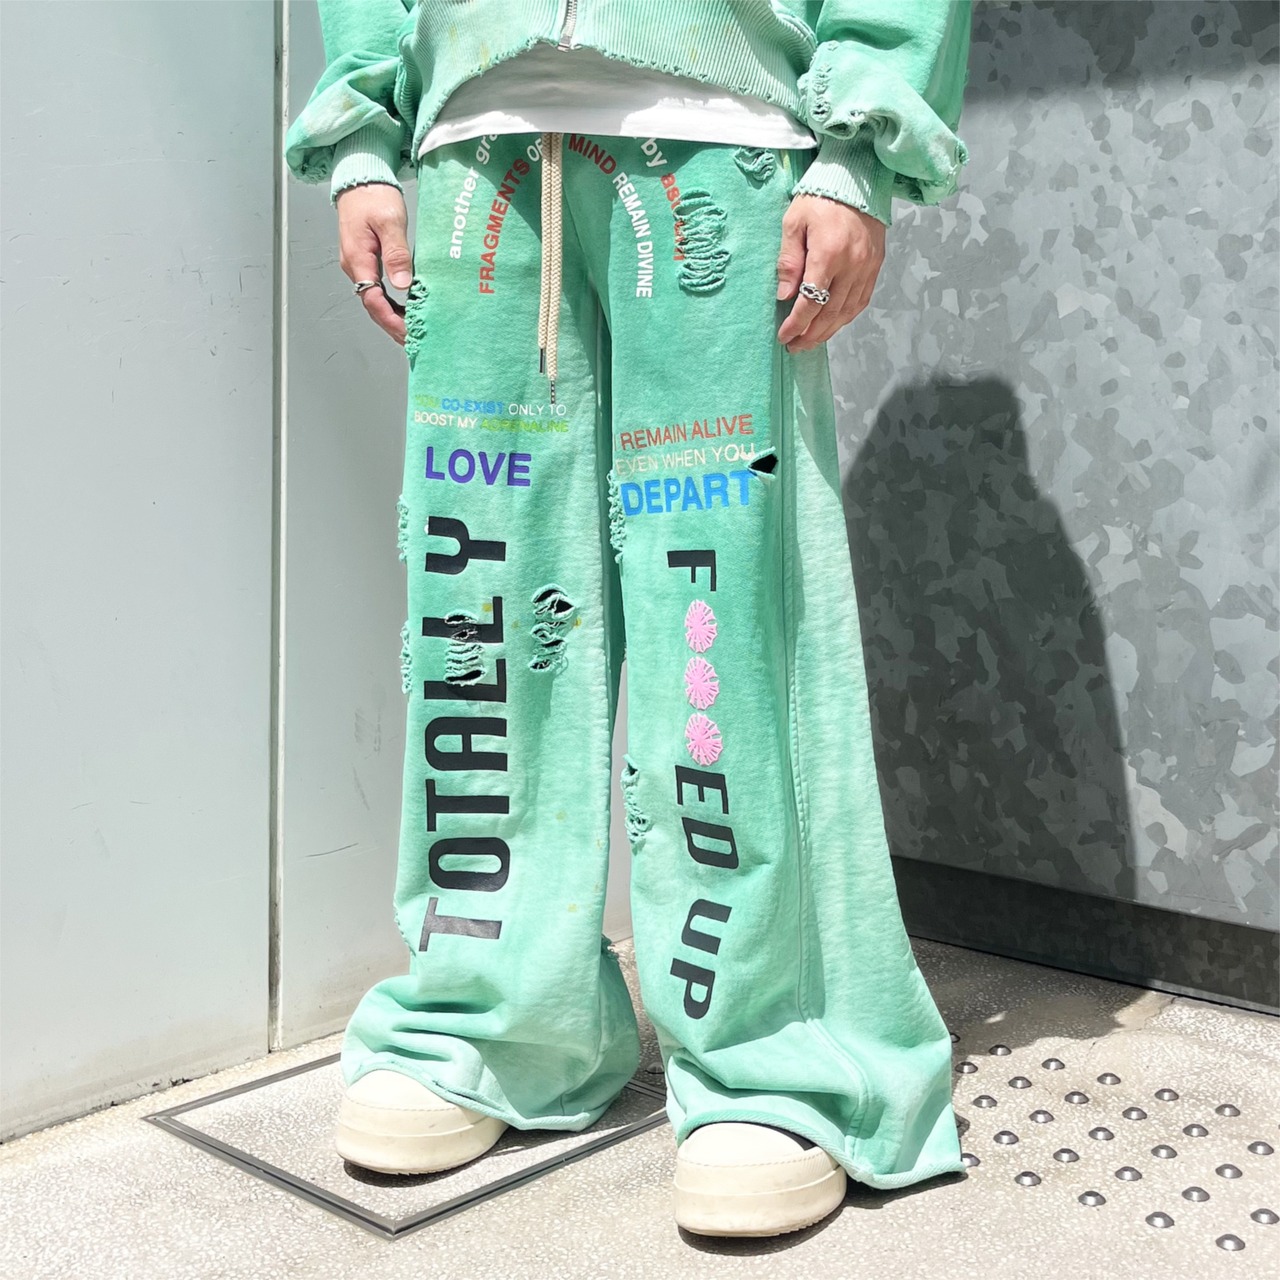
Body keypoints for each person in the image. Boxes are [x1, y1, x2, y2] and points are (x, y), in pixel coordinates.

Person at [285, 0, 972, 1240]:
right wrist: (363, 135)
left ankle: (771, 1050)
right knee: (478, 612)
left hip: (717, 135)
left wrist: (856, 152)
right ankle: (490, 1012)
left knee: (719, 615)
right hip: (474, 142)